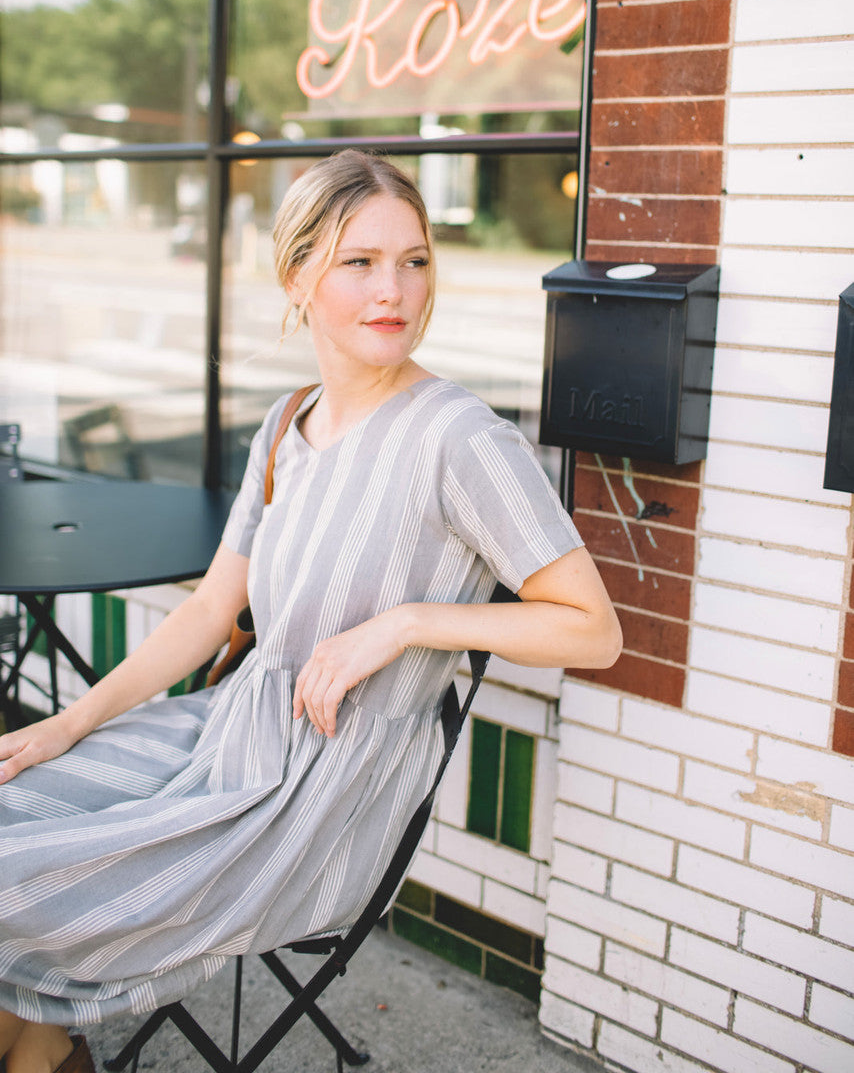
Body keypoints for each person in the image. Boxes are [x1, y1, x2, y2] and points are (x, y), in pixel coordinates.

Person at [0, 150, 621, 1073]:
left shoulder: (462, 439)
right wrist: (69, 722)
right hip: (222, 737)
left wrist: (407, 623)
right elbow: (214, 608)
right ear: (297, 277)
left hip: (313, 798)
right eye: (358, 262)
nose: (396, 291)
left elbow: (593, 630)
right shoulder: (289, 422)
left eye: (414, 261)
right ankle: (48, 1046)